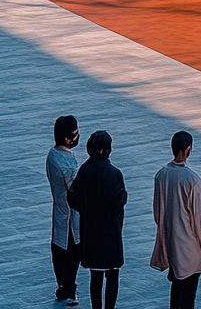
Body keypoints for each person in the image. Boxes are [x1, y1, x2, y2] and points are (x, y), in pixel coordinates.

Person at [68, 130, 127, 309]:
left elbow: (72, 197)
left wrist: (86, 207)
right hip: (111, 231)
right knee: (112, 274)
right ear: (105, 150)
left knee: (96, 275)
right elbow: (120, 199)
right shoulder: (114, 173)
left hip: (91, 230)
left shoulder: (84, 171)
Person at [151, 130, 201, 309]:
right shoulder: (193, 180)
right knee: (189, 293)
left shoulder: (161, 175)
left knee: (176, 288)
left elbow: (157, 211)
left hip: (171, 241)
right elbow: (197, 218)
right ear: (188, 149)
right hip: (189, 244)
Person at [47, 115, 81, 307]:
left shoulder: (52, 154)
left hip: (59, 209)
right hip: (70, 213)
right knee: (70, 251)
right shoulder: (66, 162)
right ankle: (69, 287)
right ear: (68, 138)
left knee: (58, 248)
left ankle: (62, 285)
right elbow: (74, 187)